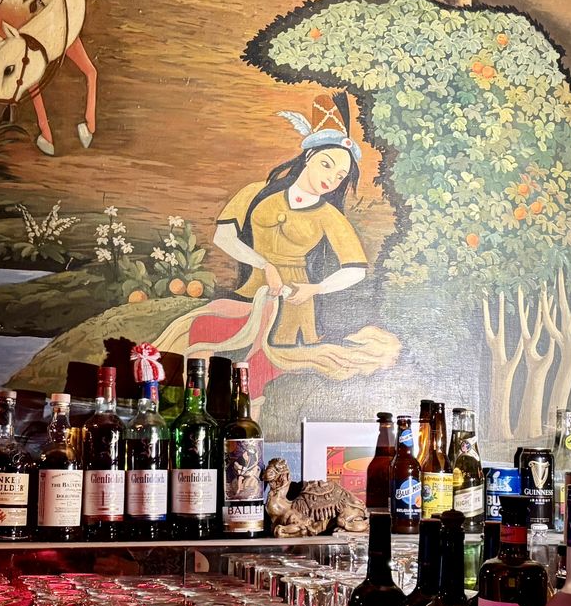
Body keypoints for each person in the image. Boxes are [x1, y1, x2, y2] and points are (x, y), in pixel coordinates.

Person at [152, 93, 397, 408]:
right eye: (326, 165)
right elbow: (223, 237)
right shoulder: (256, 193)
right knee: (200, 332)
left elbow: (356, 269)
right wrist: (263, 264)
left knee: (261, 366)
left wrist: (315, 287)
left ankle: (247, 424)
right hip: (251, 292)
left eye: (339, 177)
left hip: (293, 301)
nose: (330, 179)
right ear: (308, 157)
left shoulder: (328, 216)